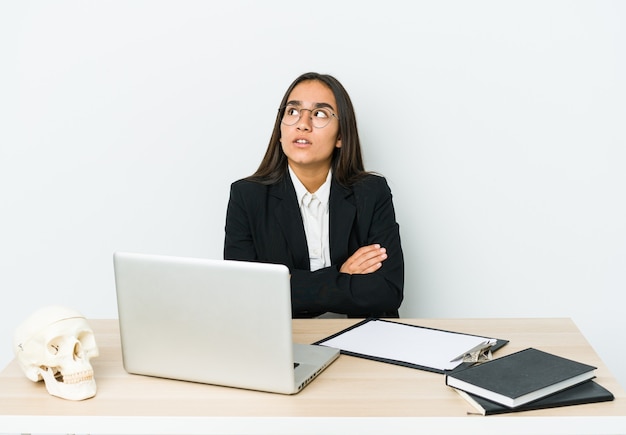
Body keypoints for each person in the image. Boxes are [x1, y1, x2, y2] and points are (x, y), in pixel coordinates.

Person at [224, 72, 404, 318]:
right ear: (280, 130)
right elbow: (243, 295)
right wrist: (342, 274)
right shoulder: (247, 196)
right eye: (293, 112)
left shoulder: (371, 192)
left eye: (319, 114)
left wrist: (289, 285)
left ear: (341, 136)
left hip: (364, 339)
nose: (303, 123)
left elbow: (386, 291)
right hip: (286, 341)